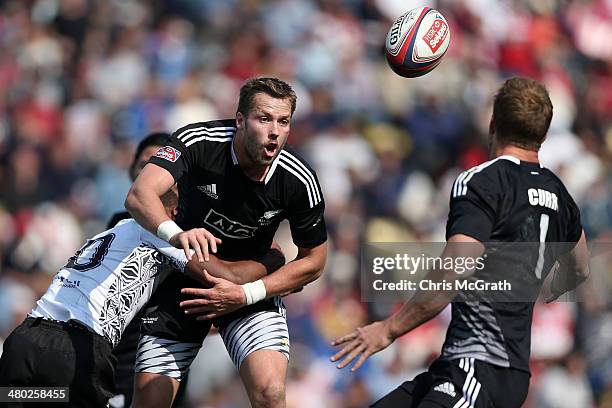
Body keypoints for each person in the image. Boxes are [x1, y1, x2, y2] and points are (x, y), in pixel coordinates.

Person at [331, 77, 590, 408]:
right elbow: (579, 266)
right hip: (495, 368)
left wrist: (389, 329)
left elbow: (452, 272)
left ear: (493, 123)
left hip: (477, 366)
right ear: (543, 135)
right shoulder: (559, 193)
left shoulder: (482, 181)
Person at [125, 77, 328, 408]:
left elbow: (314, 262)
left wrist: (244, 294)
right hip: (184, 278)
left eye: (284, 121)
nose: (275, 131)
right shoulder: (198, 141)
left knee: (270, 393)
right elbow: (139, 194)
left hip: (249, 287)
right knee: (150, 401)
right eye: (264, 119)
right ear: (239, 120)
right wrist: (176, 234)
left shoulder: (299, 179)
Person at [0, 186, 278, 407]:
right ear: (174, 211)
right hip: (77, 349)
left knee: (30, 397)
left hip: (26, 339)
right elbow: (226, 276)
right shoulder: (161, 232)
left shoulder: (111, 231)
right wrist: (273, 261)